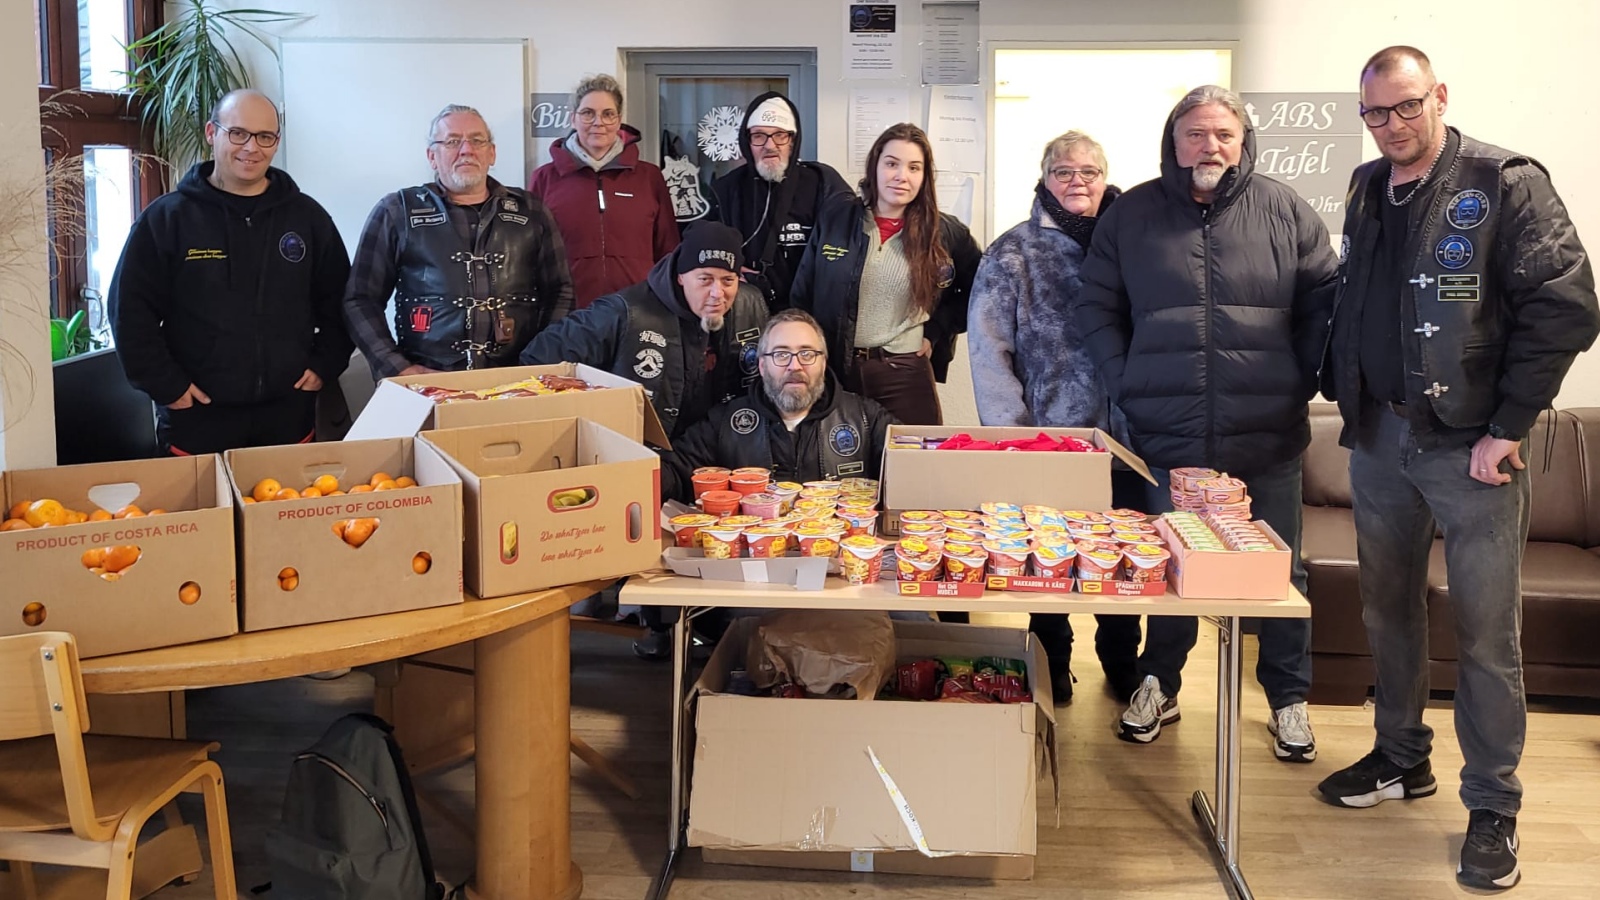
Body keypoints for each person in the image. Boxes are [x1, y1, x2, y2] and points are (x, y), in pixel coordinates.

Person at [1314, 47, 1598, 892]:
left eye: (1406, 106)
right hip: (1379, 438)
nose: (1392, 125)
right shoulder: (1367, 186)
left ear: (1439, 95)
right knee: (1387, 611)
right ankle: (1402, 756)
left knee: (1485, 632)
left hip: (1472, 448)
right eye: (1375, 112)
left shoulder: (1505, 181)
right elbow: (1360, 299)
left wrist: (1508, 427)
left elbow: (1566, 307)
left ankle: (1494, 803)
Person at [1077, 85, 1338, 760]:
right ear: (1174, 141)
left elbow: (1323, 305)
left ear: (1244, 141)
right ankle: (1159, 684)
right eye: (1195, 133)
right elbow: (1097, 307)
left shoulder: (1285, 210)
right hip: (1168, 434)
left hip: (1268, 433)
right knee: (1173, 567)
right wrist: (1127, 381)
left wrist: (1298, 379)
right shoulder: (1132, 215)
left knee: (1282, 573)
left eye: (1224, 133)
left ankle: (1288, 699)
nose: (1210, 146)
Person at [966, 130, 1140, 704]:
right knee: (1047, 559)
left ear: (1105, 178)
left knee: (1122, 554)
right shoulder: (1012, 253)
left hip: (1129, 440)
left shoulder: (1133, 242)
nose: (1076, 182)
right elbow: (989, 351)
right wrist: (1013, 438)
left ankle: (1122, 661)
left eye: (1088, 172)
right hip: (1051, 440)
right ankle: (1052, 664)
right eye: (1063, 172)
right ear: (1044, 179)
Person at [109, 89, 352, 455]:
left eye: (264, 137)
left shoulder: (308, 218)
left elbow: (341, 300)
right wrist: (166, 385)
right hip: (196, 415)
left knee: (284, 495)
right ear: (212, 132)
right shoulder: (167, 219)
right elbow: (129, 311)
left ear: (276, 142)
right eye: (238, 133)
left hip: (287, 413)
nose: (251, 148)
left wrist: (325, 363)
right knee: (200, 497)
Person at [344, 104, 573, 378]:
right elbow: (360, 299)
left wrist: (541, 362)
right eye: (452, 141)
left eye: (477, 140)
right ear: (432, 156)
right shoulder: (397, 211)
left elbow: (561, 292)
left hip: (518, 380)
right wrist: (399, 368)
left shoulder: (531, 211)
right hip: (426, 382)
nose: (466, 150)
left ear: (492, 153)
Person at [790, 123, 981, 426]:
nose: (901, 176)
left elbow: (981, 291)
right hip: (835, 371)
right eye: (892, 164)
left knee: (917, 454)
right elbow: (802, 294)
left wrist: (936, 330)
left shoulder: (944, 233)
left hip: (903, 372)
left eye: (914, 167)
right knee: (836, 454)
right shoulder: (836, 219)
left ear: (925, 176)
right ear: (875, 167)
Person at [518, 222, 768, 442]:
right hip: (647, 449)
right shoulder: (623, 312)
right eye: (705, 279)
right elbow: (537, 358)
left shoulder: (751, 305)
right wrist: (593, 405)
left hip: (721, 447)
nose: (717, 293)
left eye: (728, 280)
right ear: (681, 277)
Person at [659, 308, 895, 502]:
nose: (795, 366)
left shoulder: (866, 418)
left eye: (807, 354)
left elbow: (909, 464)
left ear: (823, 363)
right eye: (781, 354)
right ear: (762, 366)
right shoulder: (723, 423)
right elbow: (674, 473)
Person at [528, 74, 679, 309]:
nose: (598, 122)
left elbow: (668, 250)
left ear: (618, 121)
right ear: (573, 119)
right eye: (588, 113)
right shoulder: (545, 178)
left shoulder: (649, 177)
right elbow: (532, 254)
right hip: (568, 314)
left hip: (638, 310)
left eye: (608, 114)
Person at [707, 92, 851, 312]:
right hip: (746, 313)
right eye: (759, 136)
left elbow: (849, 243)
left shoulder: (821, 184)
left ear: (792, 141)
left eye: (780, 135)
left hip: (809, 314)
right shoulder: (725, 190)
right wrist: (726, 267)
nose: (770, 145)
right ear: (747, 142)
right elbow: (701, 248)